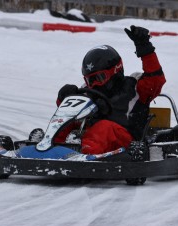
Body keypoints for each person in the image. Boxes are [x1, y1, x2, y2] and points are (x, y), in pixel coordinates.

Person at [55, 25, 166, 154]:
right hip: (93, 141)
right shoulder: (87, 92)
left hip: (126, 143)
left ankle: (82, 155)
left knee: (104, 127)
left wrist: (145, 49)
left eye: (99, 77)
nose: (94, 84)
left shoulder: (134, 89)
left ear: (116, 71)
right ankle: (49, 147)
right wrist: (63, 98)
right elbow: (68, 112)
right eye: (90, 80)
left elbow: (156, 80)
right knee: (68, 122)